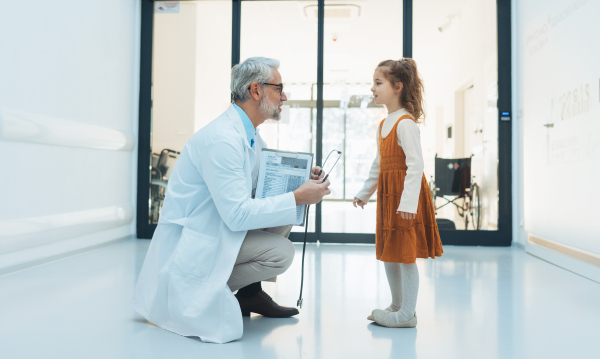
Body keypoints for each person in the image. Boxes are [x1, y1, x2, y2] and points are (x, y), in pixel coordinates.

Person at [132, 57, 331, 343]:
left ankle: (249, 295)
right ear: (256, 90)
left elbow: (260, 189)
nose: (284, 96)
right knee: (282, 252)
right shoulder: (223, 140)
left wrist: (301, 182)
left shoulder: (250, 136)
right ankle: (205, 288)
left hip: (216, 229)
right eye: (279, 88)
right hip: (195, 242)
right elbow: (238, 214)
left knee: (286, 213)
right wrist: (298, 197)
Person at [353, 58, 443, 328]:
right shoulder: (383, 125)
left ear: (397, 87)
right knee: (389, 251)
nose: (372, 88)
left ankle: (408, 314)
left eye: (378, 83)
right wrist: (365, 192)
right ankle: (396, 305)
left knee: (404, 254)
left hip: (405, 199)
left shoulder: (405, 123)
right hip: (388, 198)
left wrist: (408, 204)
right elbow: (379, 164)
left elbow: (416, 166)